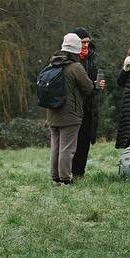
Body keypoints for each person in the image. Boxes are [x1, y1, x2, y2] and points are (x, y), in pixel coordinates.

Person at [44, 31, 96, 185]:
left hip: (53, 112)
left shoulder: (52, 64)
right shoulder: (75, 67)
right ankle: (66, 178)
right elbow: (88, 88)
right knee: (67, 148)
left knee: (56, 147)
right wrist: (94, 84)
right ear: (75, 49)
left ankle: (55, 178)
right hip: (70, 114)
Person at [69, 26, 105, 178]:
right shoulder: (70, 59)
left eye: (87, 42)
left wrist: (99, 86)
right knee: (71, 142)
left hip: (89, 106)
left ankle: (79, 172)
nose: (85, 45)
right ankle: (68, 171)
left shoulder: (92, 58)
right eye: (83, 42)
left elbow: (93, 80)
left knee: (84, 140)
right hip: (74, 106)